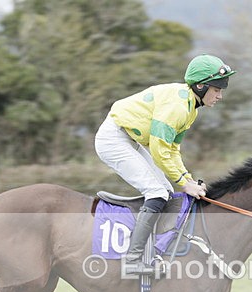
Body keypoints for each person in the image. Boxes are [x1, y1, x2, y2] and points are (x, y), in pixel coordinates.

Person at [94, 54, 236, 275]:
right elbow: (160, 151)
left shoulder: (191, 109)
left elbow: (172, 150)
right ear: (200, 86)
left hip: (130, 139)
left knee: (166, 192)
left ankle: (153, 248)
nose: (220, 95)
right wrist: (183, 183)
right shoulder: (178, 107)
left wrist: (187, 179)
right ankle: (133, 260)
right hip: (114, 139)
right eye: (217, 89)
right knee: (157, 192)